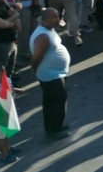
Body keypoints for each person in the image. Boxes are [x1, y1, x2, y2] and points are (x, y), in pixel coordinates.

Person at [29, 7, 72, 140]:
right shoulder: (42, 37)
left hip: (55, 73)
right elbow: (36, 57)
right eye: (55, 17)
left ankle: (54, 125)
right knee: (57, 100)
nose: (58, 19)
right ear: (45, 20)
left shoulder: (49, 29)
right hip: (50, 75)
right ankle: (54, 129)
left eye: (58, 16)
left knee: (51, 100)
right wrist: (34, 69)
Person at [0, 62, 22, 165]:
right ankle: (4, 155)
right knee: (0, 136)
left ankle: (8, 149)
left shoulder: (7, 81)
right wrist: (2, 97)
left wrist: (14, 92)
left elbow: (11, 90)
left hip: (7, 111)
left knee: (6, 133)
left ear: (3, 73)